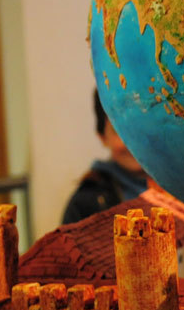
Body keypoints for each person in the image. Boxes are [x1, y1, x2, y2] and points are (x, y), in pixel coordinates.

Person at [62, 90, 153, 224]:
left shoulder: (182, 190)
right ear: (102, 137)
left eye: (141, 127)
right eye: (119, 131)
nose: (133, 143)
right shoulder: (86, 204)